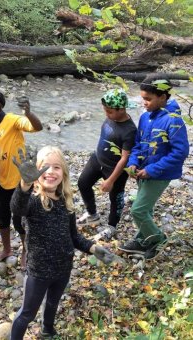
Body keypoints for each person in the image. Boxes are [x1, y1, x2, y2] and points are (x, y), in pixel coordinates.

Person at [10, 146, 119, 339]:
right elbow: (17, 208)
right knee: (27, 313)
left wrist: (94, 248)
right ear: (36, 172)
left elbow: (74, 236)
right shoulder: (34, 201)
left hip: (63, 268)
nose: (51, 172)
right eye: (45, 167)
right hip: (39, 271)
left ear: (64, 173)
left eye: (57, 167)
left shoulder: (65, 201)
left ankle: (48, 330)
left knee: (53, 302)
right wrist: (25, 185)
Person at [119, 75, 189, 260]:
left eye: (148, 99)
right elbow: (138, 145)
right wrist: (133, 162)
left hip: (159, 174)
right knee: (146, 208)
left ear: (163, 97)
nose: (144, 103)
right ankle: (143, 239)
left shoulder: (173, 120)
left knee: (138, 210)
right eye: (143, 98)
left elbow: (179, 152)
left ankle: (157, 239)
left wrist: (151, 170)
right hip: (143, 171)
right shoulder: (145, 118)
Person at [0, 89, 43, 267]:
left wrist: (28, 113)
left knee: (19, 220)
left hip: (21, 182)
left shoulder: (12, 120)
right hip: (3, 181)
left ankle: (26, 250)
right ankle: (6, 249)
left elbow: (37, 127)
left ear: (0, 105)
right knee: (1, 218)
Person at [77, 89, 137, 240]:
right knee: (83, 183)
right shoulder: (112, 117)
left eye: (109, 111)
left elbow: (124, 158)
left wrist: (110, 180)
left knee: (115, 197)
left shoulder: (130, 130)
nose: (106, 114)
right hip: (98, 158)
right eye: (105, 110)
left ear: (122, 109)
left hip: (115, 168)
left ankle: (112, 226)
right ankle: (92, 214)